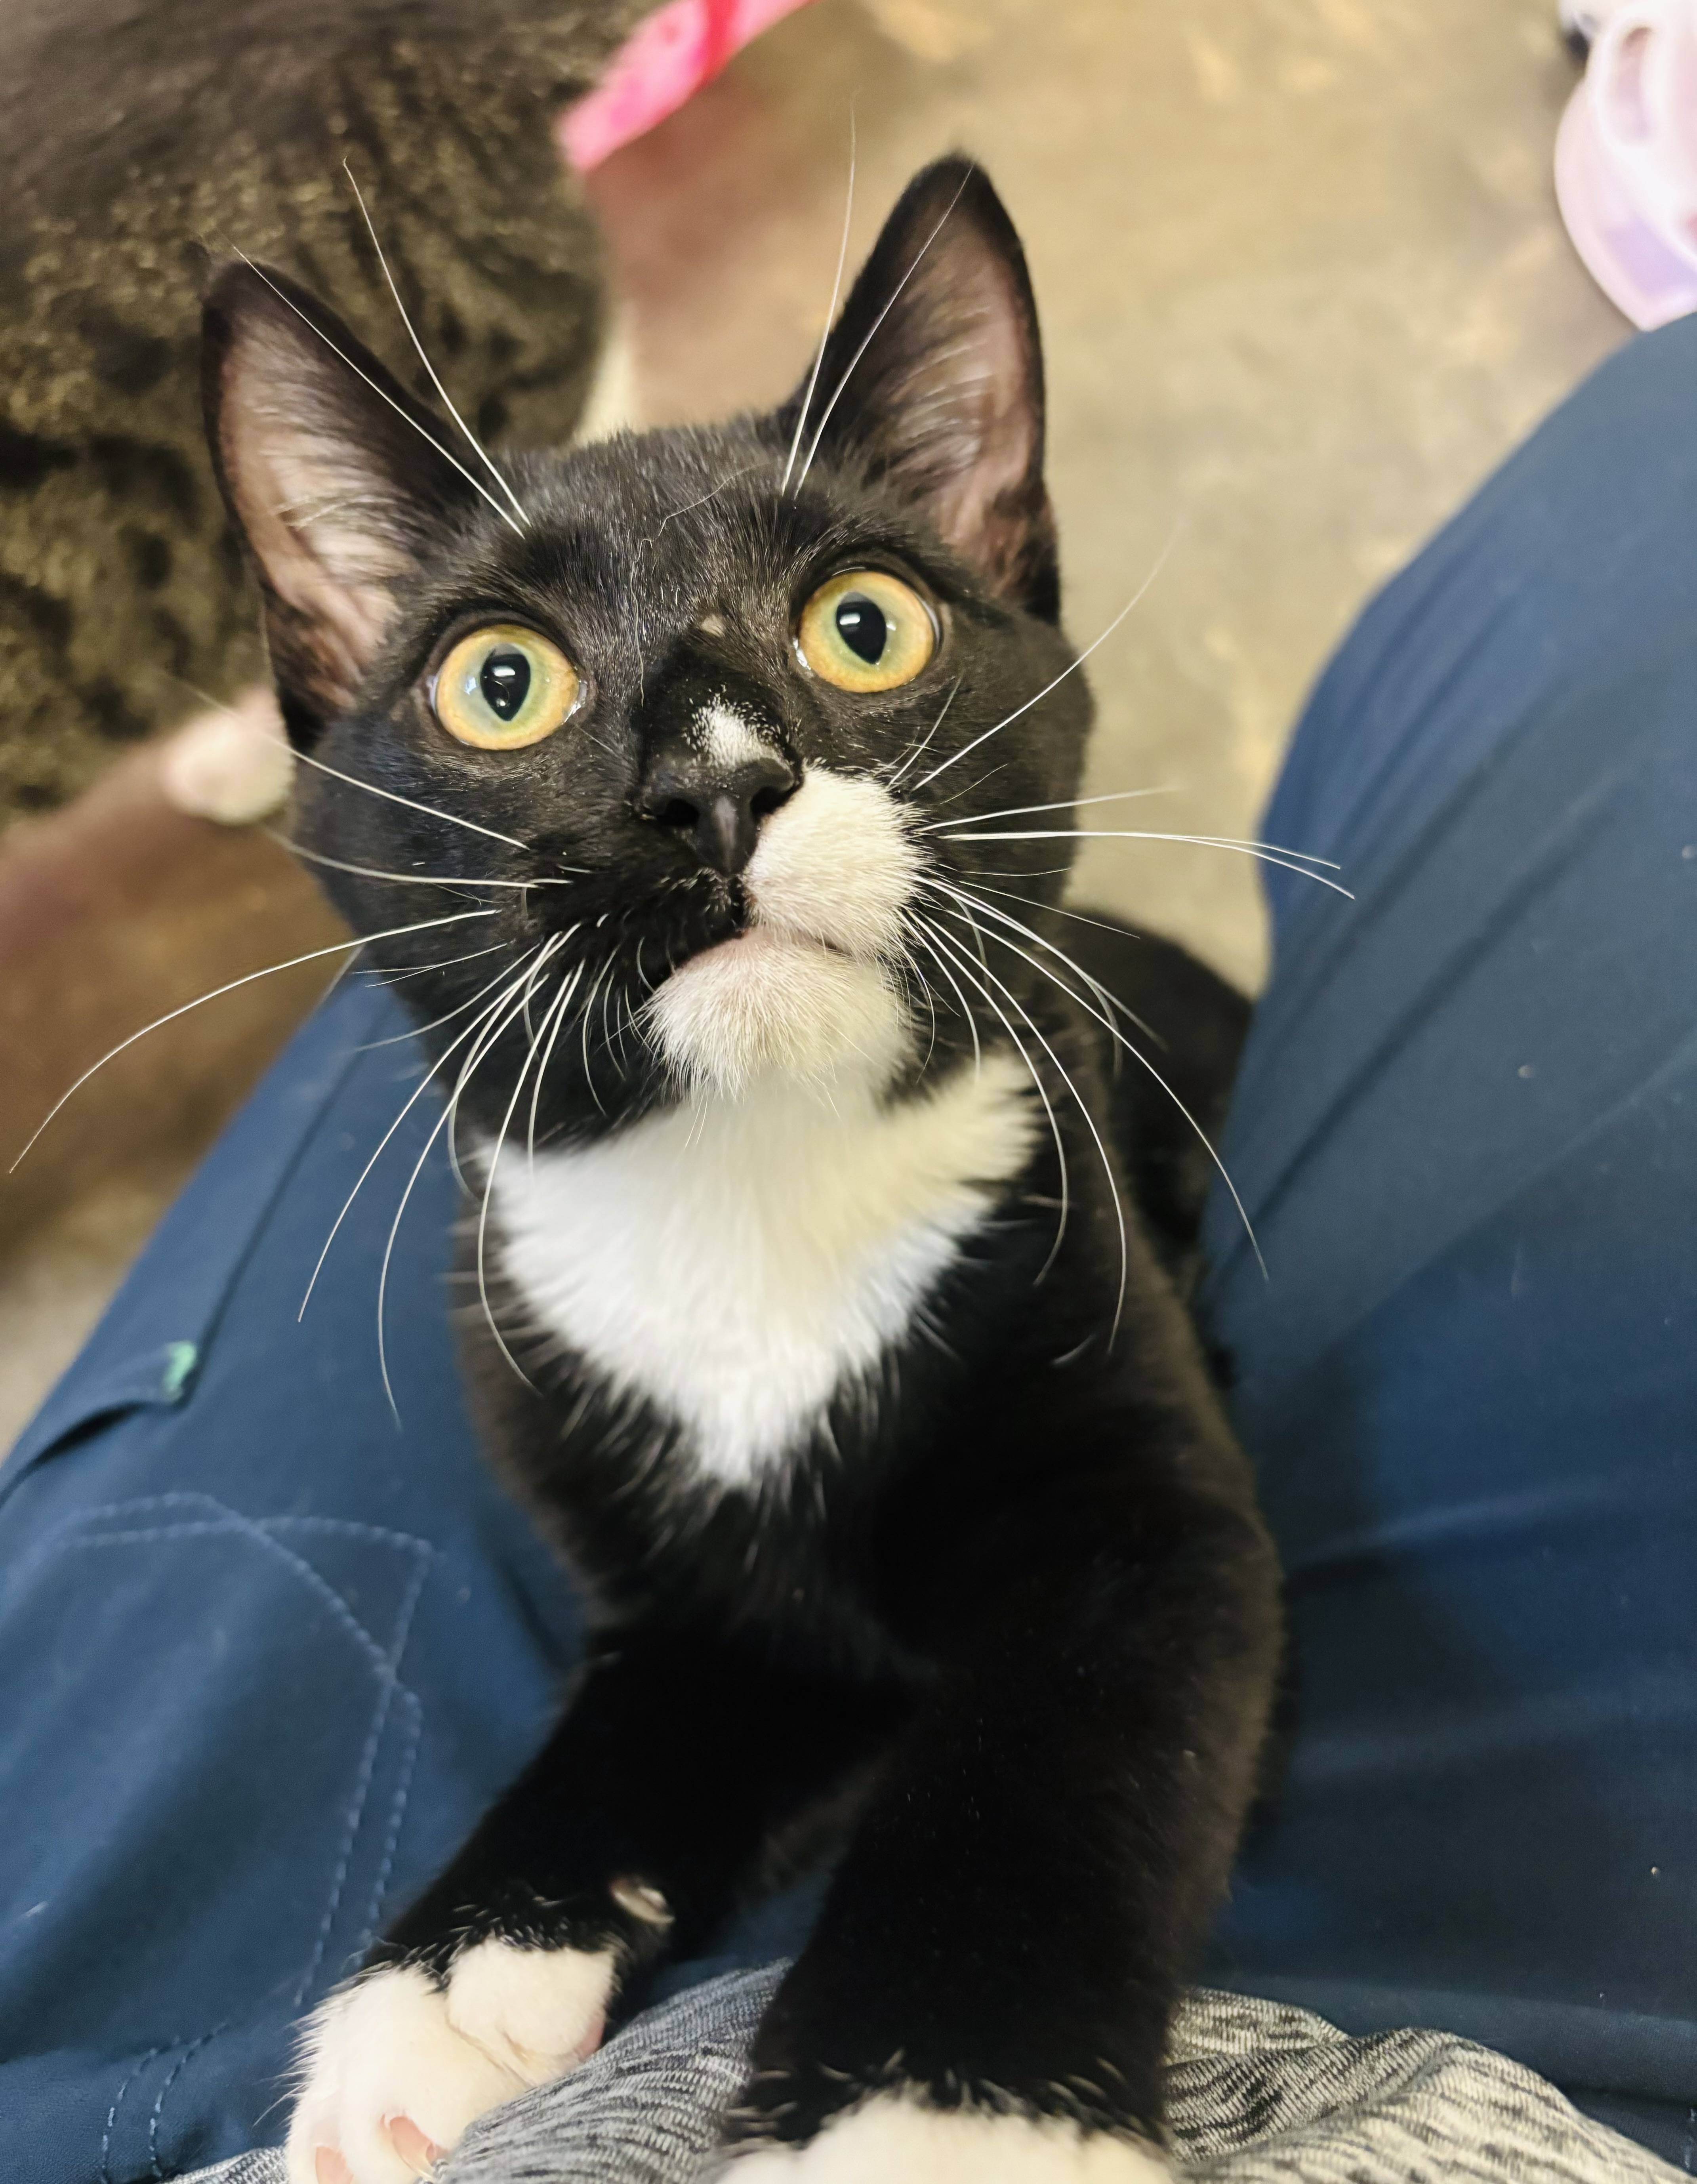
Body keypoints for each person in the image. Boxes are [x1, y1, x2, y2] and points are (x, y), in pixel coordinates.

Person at [2, 312, 1692, 2182]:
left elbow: (1137, 1569)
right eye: (504, 682)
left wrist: (970, 2053)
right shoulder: (525, 1329)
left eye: (859, 626)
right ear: (331, 675)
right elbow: (741, 1639)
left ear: (1000, 554)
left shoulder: (1046, 1196)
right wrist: (553, 1872)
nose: (720, 768)